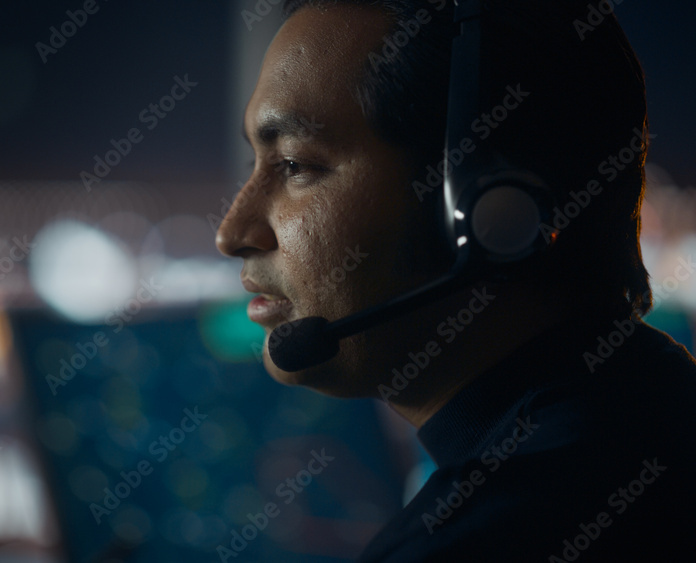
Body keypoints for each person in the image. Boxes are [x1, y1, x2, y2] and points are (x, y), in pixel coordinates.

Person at [214, 0, 696, 560]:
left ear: (491, 209)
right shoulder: (662, 404)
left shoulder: (472, 544)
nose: (233, 232)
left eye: (295, 165)